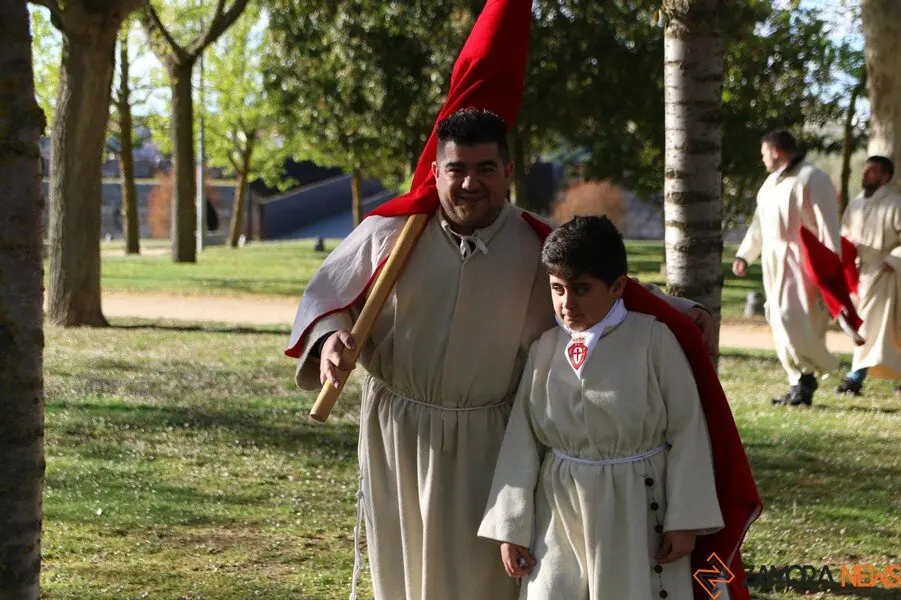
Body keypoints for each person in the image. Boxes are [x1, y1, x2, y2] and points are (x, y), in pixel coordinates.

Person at [285, 3, 757, 599]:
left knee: (489, 579)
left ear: (508, 170)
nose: (470, 183)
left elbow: (616, 288)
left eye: (486, 168)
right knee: (405, 574)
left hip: (492, 438)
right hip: (399, 434)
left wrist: (687, 317)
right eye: (456, 169)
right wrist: (330, 340)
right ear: (437, 169)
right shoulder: (389, 235)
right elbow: (330, 295)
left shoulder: (538, 245)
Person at [478, 216, 724, 600]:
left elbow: (688, 432)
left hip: (637, 509)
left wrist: (685, 521)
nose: (566, 303)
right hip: (560, 508)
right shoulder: (544, 349)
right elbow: (522, 440)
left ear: (617, 287)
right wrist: (512, 527)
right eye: (557, 289)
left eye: (581, 289)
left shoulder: (653, 341)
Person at [733, 130, 842, 406]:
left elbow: (828, 225)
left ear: (776, 150)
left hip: (802, 262)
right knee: (776, 317)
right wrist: (745, 255)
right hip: (773, 260)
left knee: (793, 317)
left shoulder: (812, 178)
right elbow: (759, 225)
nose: (762, 158)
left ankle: (812, 373)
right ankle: (798, 383)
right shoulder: (770, 183)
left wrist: (831, 269)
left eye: (764, 152)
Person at [835, 155, 901, 396]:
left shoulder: (896, 203)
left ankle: (855, 377)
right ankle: (857, 377)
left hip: (888, 276)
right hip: (860, 275)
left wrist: (892, 260)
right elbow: (845, 234)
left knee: (874, 328)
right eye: (864, 171)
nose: (865, 175)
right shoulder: (856, 203)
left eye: (871, 171)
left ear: (885, 176)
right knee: (870, 327)